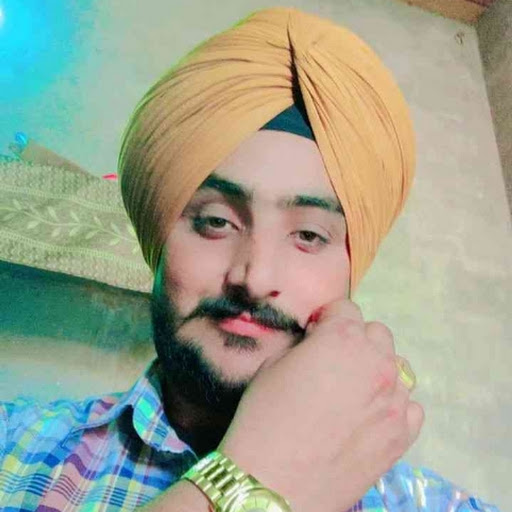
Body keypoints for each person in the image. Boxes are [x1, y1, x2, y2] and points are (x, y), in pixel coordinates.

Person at [0, 7, 500, 512]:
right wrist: (253, 478)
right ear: (158, 242)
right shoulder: (13, 449)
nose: (255, 278)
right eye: (216, 221)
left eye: (308, 235)